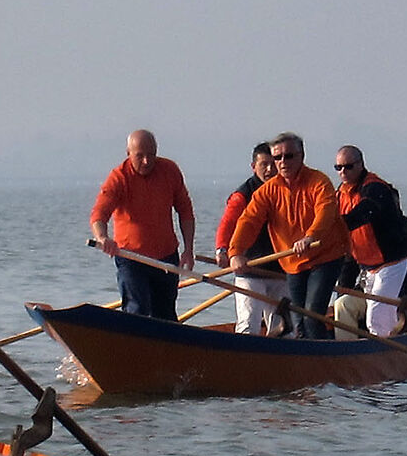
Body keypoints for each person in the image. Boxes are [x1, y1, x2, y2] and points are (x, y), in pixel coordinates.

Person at [227, 131, 350, 338]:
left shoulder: (319, 182)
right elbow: (249, 220)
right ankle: (302, 359)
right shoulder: (268, 190)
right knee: (297, 321)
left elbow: (326, 212)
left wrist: (310, 237)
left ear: (301, 156)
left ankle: (321, 359)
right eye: (277, 157)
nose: (283, 162)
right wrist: (235, 252)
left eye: (289, 156)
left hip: (325, 258)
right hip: (293, 262)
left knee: (312, 316)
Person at [90, 129, 196, 321]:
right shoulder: (119, 177)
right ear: (128, 153)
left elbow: (186, 211)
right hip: (131, 258)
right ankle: (132, 347)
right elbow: (99, 214)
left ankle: (167, 348)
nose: (147, 161)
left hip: (166, 257)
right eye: (140, 156)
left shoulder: (170, 170)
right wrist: (103, 237)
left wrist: (189, 249)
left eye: (151, 155)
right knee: (137, 310)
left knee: (166, 315)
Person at [332, 145, 407, 338]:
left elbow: (365, 211)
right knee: (342, 305)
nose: (343, 172)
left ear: (361, 164)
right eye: (338, 168)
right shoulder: (340, 194)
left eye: (348, 167)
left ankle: (382, 350)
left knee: (376, 318)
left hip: (390, 265)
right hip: (368, 269)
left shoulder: (375, 188)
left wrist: (339, 227)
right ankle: (345, 353)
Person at [213, 142, 289, 335]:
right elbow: (227, 224)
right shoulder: (242, 196)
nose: (270, 170)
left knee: (283, 328)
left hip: (281, 270)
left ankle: (281, 361)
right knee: (248, 324)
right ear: (253, 167)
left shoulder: (287, 190)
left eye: (273, 164)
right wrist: (222, 250)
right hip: (249, 269)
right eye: (264, 164)